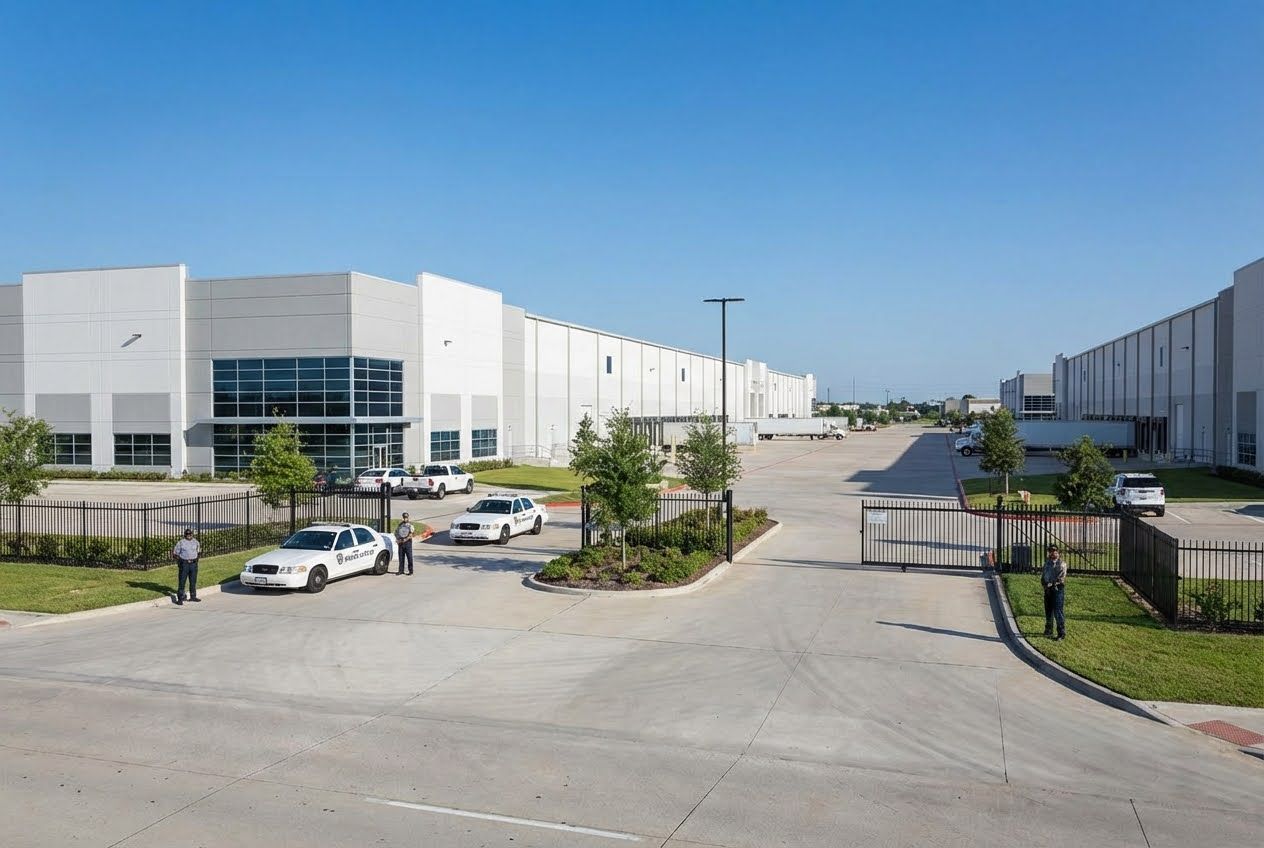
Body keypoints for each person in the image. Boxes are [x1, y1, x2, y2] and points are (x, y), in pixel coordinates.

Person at [1041, 544, 1067, 640]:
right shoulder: (1047, 563)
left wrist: (1051, 584)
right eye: (1051, 551)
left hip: (1057, 590)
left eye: (1054, 551)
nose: (1052, 553)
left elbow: (1061, 578)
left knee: (1058, 611)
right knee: (1048, 611)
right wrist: (1044, 584)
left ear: (1058, 553)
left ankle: (1061, 632)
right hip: (1047, 590)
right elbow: (1043, 576)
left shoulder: (1062, 564)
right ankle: (1048, 630)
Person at [173, 528, 201, 605]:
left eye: (190, 534)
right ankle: (180, 598)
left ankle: (193, 596)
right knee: (182, 581)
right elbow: (175, 554)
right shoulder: (181, 543)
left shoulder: (196, 542)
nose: (189, 535)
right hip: (184, 564)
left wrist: (197, 559)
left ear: (192, 534)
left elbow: (199, 552)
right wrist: (180, 561)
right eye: (187, 534)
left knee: (193, 581)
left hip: (193, 564)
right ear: (185, 535)